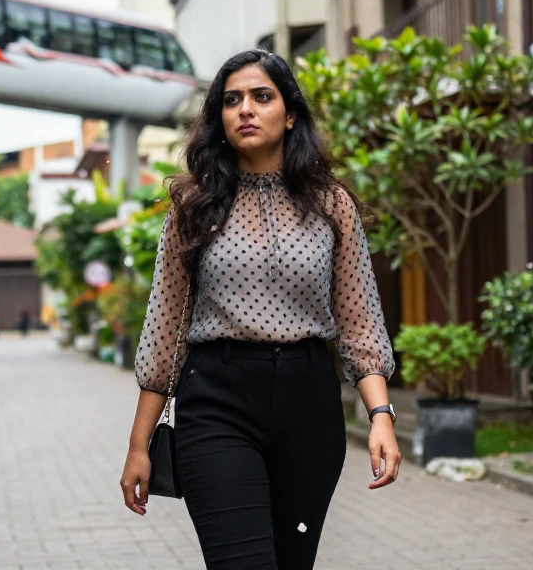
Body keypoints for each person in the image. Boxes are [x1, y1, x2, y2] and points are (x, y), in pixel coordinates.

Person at [119, 49, 400, 569]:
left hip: (309, 405)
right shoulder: (193, 205)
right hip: (216, 401)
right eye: (231, 100)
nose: (245, 109)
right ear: (219, 119)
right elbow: (164, 331)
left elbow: (360, 321)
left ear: (289, 114)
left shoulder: (331, 203)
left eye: (261, 97)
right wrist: (140, 446)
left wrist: (380, 415)